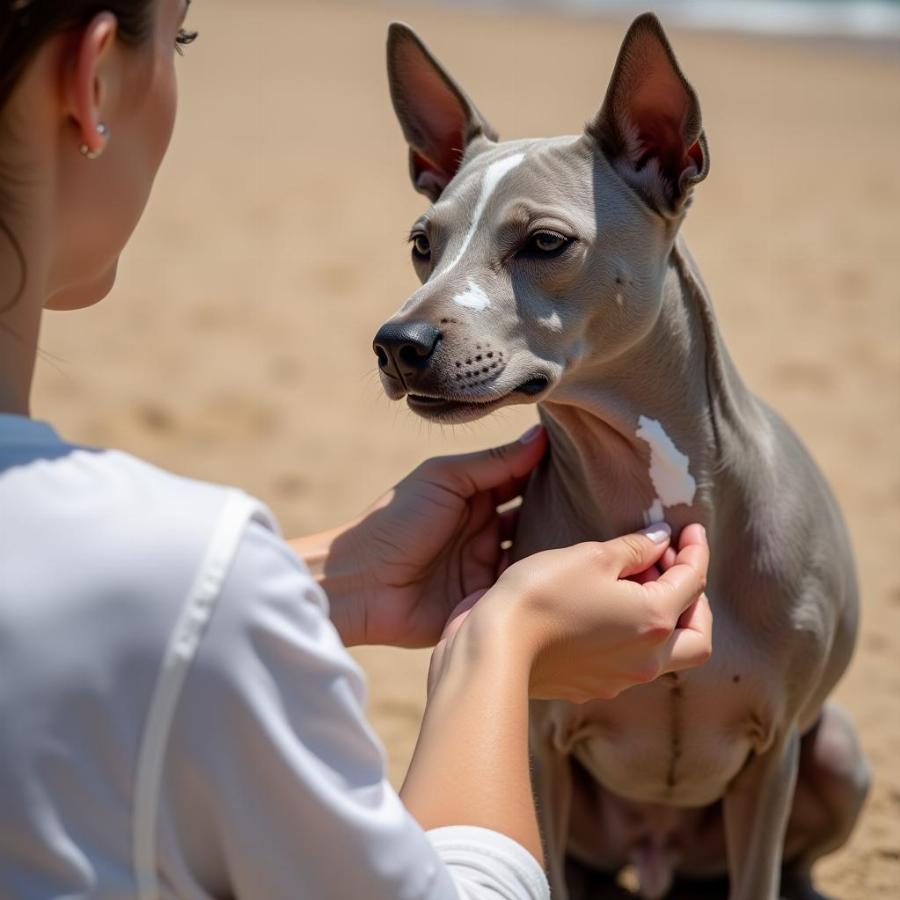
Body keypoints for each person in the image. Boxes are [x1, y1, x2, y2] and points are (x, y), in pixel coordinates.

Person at [0, 2, 712, 898]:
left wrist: (322, 581)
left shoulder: (144, 576)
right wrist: (496, 645)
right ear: (91, 80)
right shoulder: (182, 569)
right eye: (179, 37)